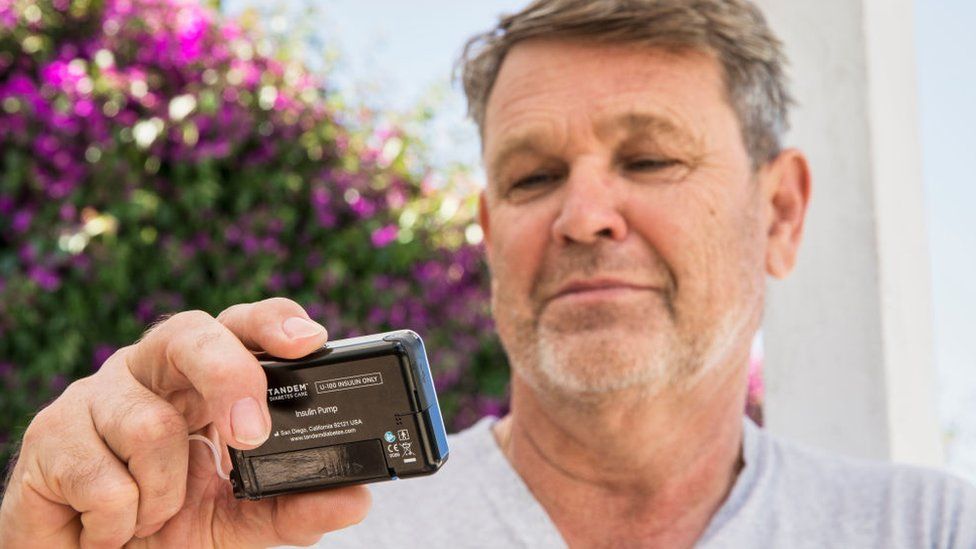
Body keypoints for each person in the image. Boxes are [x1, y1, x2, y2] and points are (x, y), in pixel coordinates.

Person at [1, 0, 974, 547]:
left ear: (781, 212)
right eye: (532, 175)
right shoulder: (309, 539)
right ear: (487, 228)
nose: (582, 215)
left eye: (649, 160)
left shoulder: (927, 531)